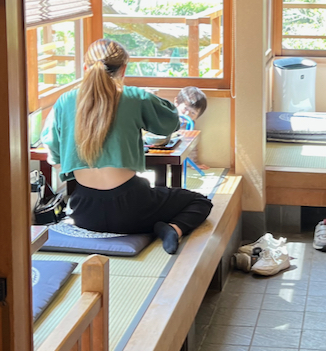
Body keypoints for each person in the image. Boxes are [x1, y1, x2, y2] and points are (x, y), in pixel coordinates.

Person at [41, 38, 213, 254]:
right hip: (133, 211)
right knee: (200, 202)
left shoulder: (65, 101)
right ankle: (173, 229)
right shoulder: (133, 97)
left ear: (85, 68)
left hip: (82, 213)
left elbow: (54, 154)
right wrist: (147, 99)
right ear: (123, 70)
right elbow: (171, 122)